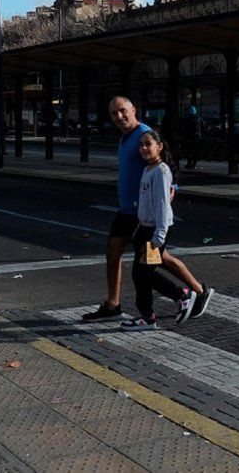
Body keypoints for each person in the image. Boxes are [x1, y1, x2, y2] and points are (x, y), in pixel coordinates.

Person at [121, 130, 214, 329]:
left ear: (159, 146)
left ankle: (181, 296)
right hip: (145, 229)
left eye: (148, 144)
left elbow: (163, 206)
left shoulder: (161, 172)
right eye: (141, 145)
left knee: (144, 273)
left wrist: (159, 236)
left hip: (155, 231)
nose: (144, 148)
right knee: (140, 274)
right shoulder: (149, 169)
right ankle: (147, 316)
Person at [81, 96, 153, 321]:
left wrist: (173, 187)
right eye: (114, 113)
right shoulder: (125, 137)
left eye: (122, 111)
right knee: (113, 252)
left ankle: (194, 292)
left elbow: (163, 161)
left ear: (133, 109)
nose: (119, 116)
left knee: (157, 259)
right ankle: (112, 305)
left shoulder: (144, 134)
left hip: (143, 212)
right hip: (126, 210)